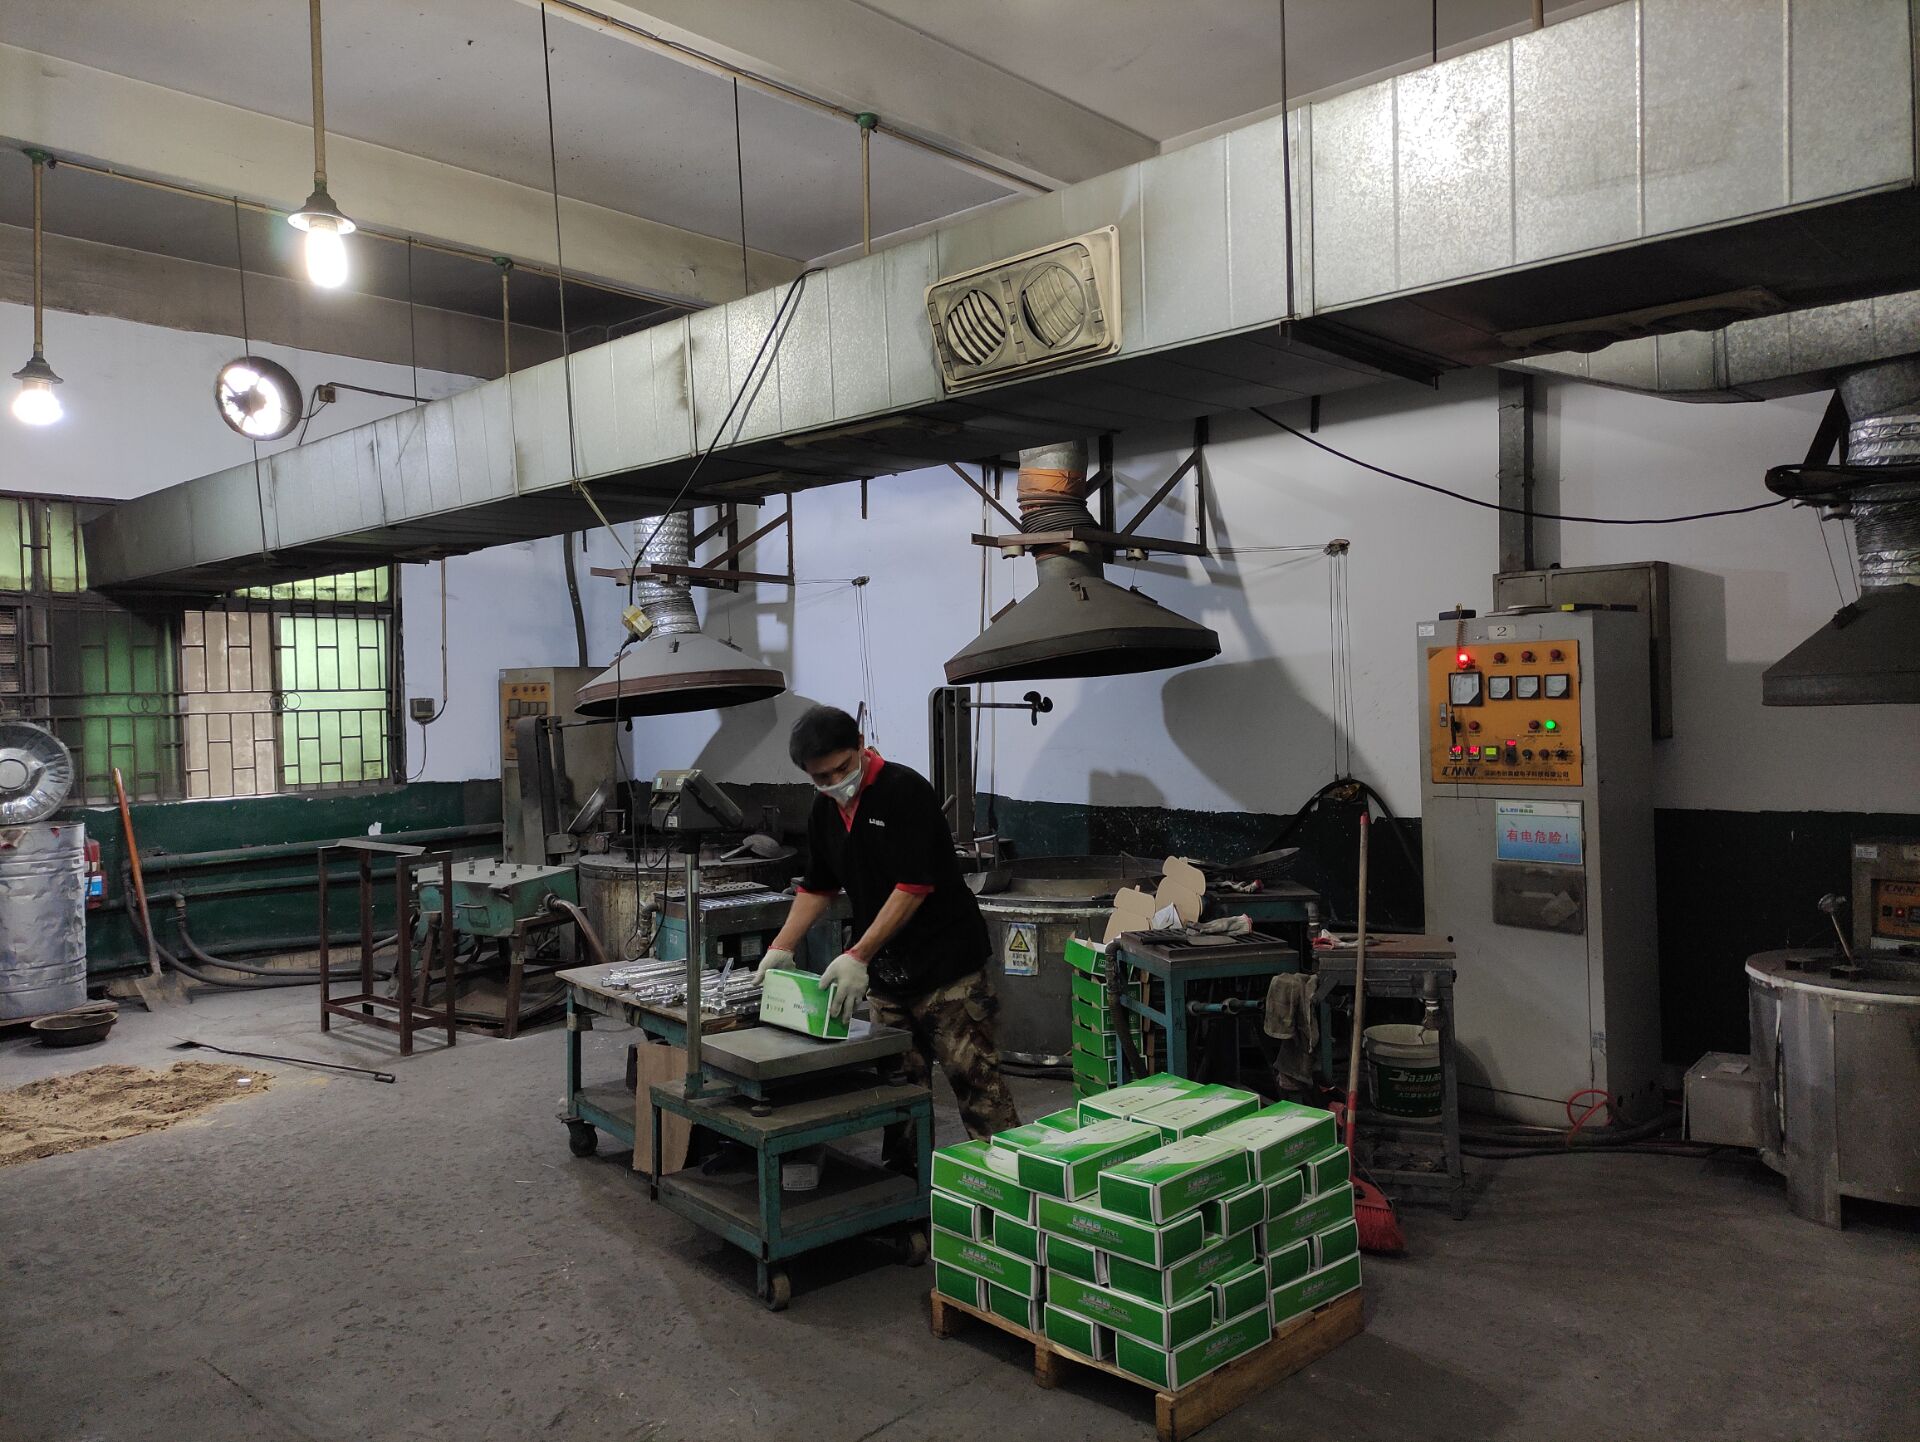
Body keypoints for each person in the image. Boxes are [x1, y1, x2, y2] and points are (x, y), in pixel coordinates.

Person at [755, 705, 1018, 1167]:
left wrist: (858, 954)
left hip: (947, 971)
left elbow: (913, 886)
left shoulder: (904, 791)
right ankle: (907, 1193)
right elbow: (818, 886)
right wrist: (783, 945)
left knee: (978, 1087)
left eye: (842, 768)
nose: (835, 782)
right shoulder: (824, 809)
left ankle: (1011, 1187)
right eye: (821, 777)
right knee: (898, 1096)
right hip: (887, 977)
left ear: (860, 745)